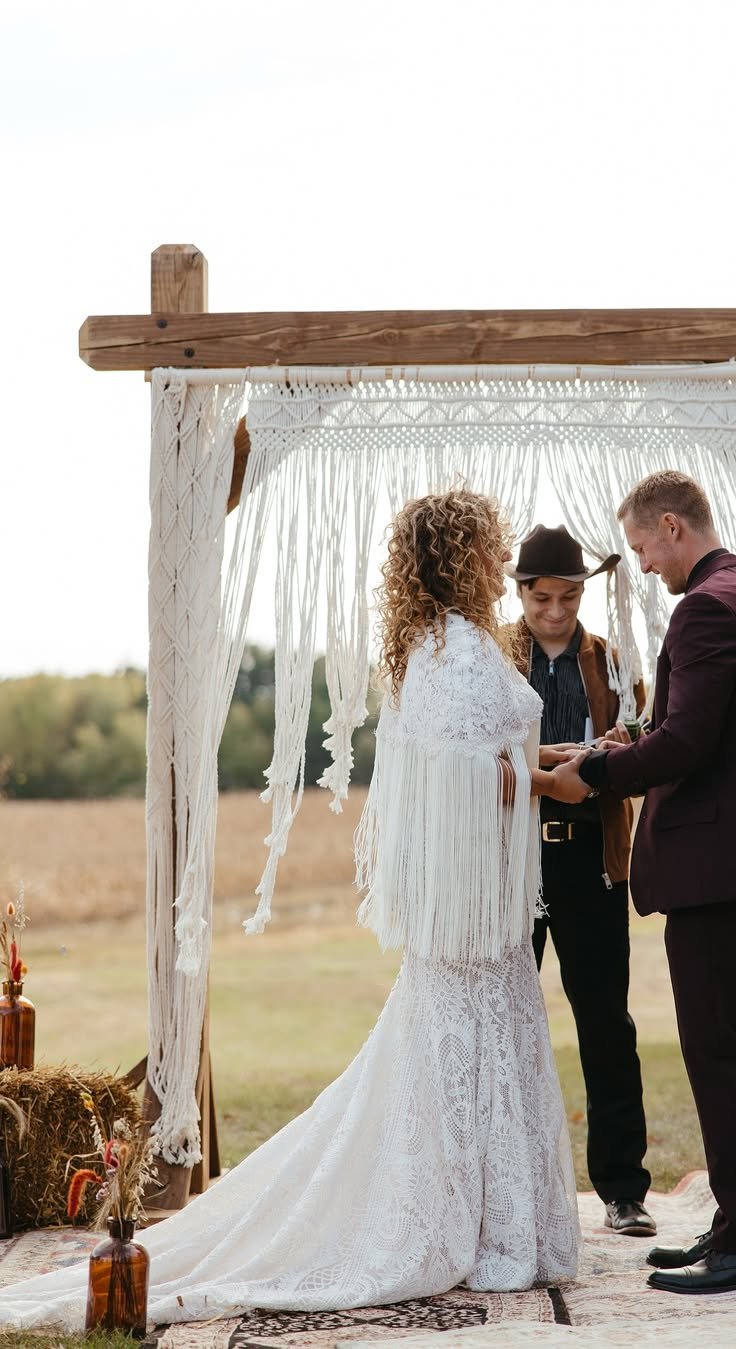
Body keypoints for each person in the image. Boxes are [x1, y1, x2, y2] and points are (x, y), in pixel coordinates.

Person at [0, 490, 588, 1330]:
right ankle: (482, 1229)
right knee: (465, 1067)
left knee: (455, 1068)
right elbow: (469, 774)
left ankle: (493, 1223)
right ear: (462, 556)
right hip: (474, 926)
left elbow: (475, 758)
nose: (502, 562)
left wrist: (538, 763)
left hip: (466, 923)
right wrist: (545, 780)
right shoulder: (460, 650)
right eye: (491, 547)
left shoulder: (433, 645)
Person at [563, 470, 736, 1296]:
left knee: (720, 1053)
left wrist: (596, 772)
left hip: (721, 869)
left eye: (642, 546)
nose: (642, 564)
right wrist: (624, 741)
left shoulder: (708, 607)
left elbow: (688, 745)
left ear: (673, 526)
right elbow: (696, 727)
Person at [507, 524, 653, 1238]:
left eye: (568, 598)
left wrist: (600, 760)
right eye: (542, 599)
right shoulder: (496, 659)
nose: (556, 612)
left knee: (605, 1021)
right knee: (505, 1020)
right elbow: (478, 750)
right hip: (512, 861)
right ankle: (507, 1188)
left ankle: (623, 1190)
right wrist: (557, 764)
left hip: (592, 858)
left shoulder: (613, 663)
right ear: (520, 593)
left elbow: (644, 746)